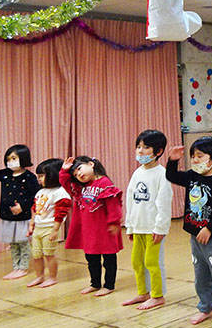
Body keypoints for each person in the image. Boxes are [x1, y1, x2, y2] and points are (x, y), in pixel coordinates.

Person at [166, 137, 212, 328]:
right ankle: (206, 308)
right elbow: (172, 176)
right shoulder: (193, 176)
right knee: (201, 276)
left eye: (200, 156)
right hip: (196, 237)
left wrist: (209, 228)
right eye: (193, 156)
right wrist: (172, 160)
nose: (195, 160)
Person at [122, 130, 173, 310]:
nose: (140, 151)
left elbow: (164, 204)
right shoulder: (137, 173)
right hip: (138, 227)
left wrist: (160, 228)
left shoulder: (162, 174)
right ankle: (143, 292)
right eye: (138, 147)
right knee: (137, 262)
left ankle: (157, 295)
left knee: (152, 262)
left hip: (153, 229)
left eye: (146, 147)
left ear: (158, 151)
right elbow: (130, 200)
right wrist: (130, 226)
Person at [61, 156, 123, 297]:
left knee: (109, 259)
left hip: (105, 230)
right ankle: (95, 283)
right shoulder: (80, 188)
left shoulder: (105, 183)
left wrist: (114, 222)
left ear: (91, 164)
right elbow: (66, 184)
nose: (79, 174)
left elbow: (113, 205)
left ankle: (109, 285)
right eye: (75, 174)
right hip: (89, 231)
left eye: (79, 169)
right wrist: (64, 171)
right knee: (91, 259)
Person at [0, 145, 39, 279]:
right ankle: (16, 267)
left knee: (23, 243)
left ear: (23, 158)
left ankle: (23, 267)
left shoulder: (29, 177)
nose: (10, 162)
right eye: (8, 159)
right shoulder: (5, 173)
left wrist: (23, 207)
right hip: (7, 216)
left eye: (14, 158)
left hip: (22, 217)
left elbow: (35, 195)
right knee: (13, 244)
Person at [26, 158, 70, 288]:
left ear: (52, 175)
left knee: (49, 254)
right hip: (38, 228)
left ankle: (52, 278)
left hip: (49, 228)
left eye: (41, 176)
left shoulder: (60, 192)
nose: (39, 179)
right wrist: (31, 224)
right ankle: (39, 276)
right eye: (38, 176)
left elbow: (61, 213)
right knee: (36, 254)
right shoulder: (40, 192)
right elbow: (35, 209)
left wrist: (55, 230)